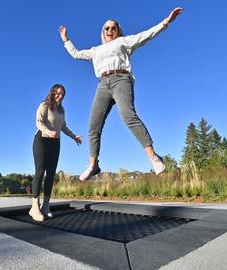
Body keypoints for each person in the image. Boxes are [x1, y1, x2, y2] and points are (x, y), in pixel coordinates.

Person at [59, 7, 184, 180]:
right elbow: (76, 54)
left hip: (121, 80)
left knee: (128, 116)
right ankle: (93, 165)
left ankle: (153, 157)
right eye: (107, 28)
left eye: (113, 28)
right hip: (102, 84)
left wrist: (166, 22)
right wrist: (66, 39)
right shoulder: (96, 50)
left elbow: (146, 35)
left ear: (118, 31)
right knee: (93, 126)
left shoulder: (124, 41)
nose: (110, 30)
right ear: (103, 32)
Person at [29, 84, 83, 222]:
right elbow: (38, 122)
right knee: (40, 172)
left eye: (62, 94)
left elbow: (63, 126)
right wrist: (48, 132)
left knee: (51, 174)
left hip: (55, 143)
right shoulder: (44, 106)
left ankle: (45, 206)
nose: (60, 96)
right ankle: (35, 207)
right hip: (41, 140)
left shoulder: (61, 110)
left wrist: (74, 136)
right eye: (58, 93)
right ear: (52, 93)